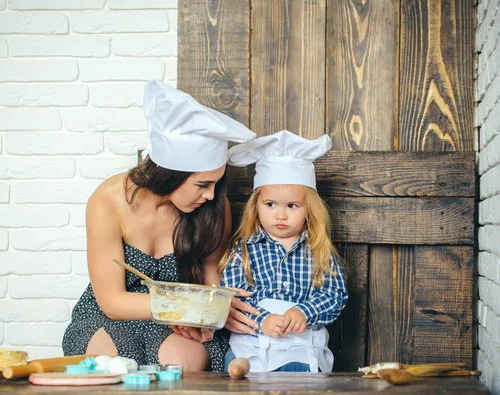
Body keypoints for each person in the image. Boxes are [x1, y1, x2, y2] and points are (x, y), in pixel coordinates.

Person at [62, 80, 256, 372]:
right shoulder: (107, 201)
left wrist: (210, 316)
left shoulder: (213, 206)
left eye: (216, 184)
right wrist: (190, 308)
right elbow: (112, 301)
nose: (212, 195)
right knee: (107, 366)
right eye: (202, 184)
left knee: (183, 366)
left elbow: (210, 281)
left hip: (181, 322)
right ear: (171, 173)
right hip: (113, 317)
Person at [219, 130, 349, 373]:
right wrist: (262, 321)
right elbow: (232, 298)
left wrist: (304, 311)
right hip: (253, 342)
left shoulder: (319, 251)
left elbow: (335, 295)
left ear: (309, 209)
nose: (280, 215)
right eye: (270, 205)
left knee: (297, 379)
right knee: (239, 374)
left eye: (292, 206)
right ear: (256, 207)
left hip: (301, 343)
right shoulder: (244, 250)